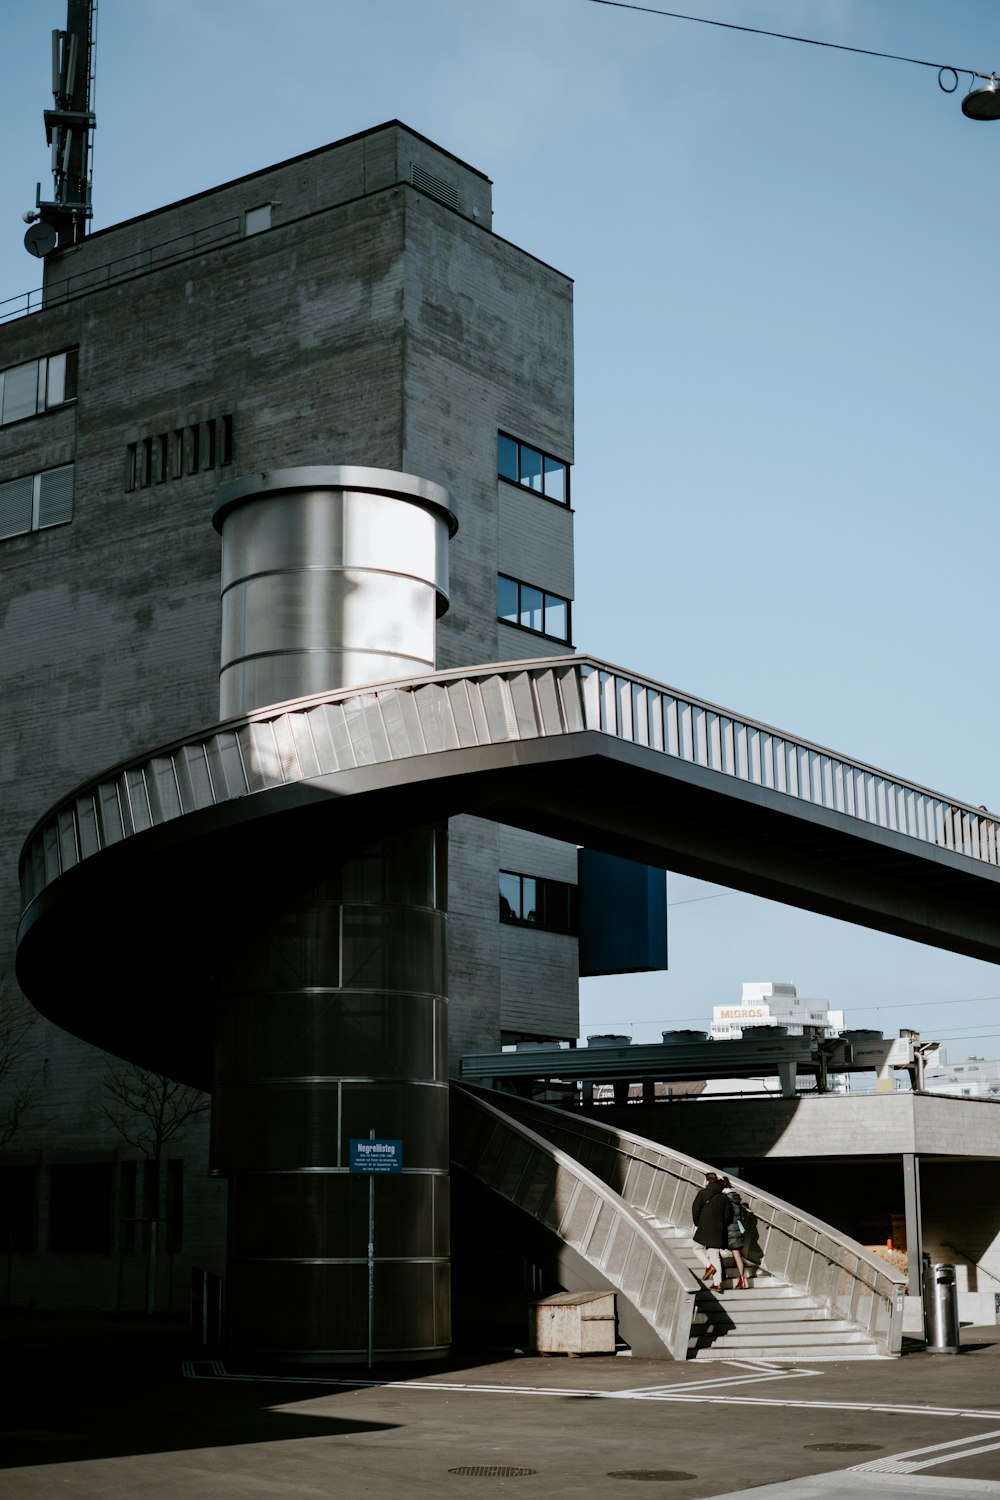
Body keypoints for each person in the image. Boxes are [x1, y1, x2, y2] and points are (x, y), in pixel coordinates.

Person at [690, 1171, 732, 1292]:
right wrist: (721, 1226)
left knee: (697, 1248)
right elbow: (728, 1216)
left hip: (705, 1225)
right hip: (718, 1229)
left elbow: (695, 1209)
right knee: (714, 1254)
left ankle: (709, 1267)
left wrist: (698, 1222)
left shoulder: (703, 1193)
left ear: (707, 1181)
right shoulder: (724, 1198)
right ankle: (717, 1284)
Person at [720, 1175, 749, 1290]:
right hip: (736, 1229)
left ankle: (719, 1278)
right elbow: (741, 1216)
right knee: (737, 1254)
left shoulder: (723, 1198)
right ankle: (742, 1278)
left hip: (728, 1229)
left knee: (715, 1251)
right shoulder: (736, 1199)